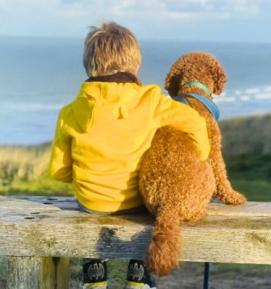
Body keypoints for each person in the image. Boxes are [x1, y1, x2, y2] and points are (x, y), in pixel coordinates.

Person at [49, 22, 210, 289]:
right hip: (136, 200)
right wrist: (201, 155)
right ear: (136, 67)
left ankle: (94, 273)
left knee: (90, 209)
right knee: (147, 209)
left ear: (89, 67)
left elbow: (59, 171)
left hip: (92, 202)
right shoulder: (151, 101)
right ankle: (139, 273)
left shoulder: (70, 112)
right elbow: (194, 122)